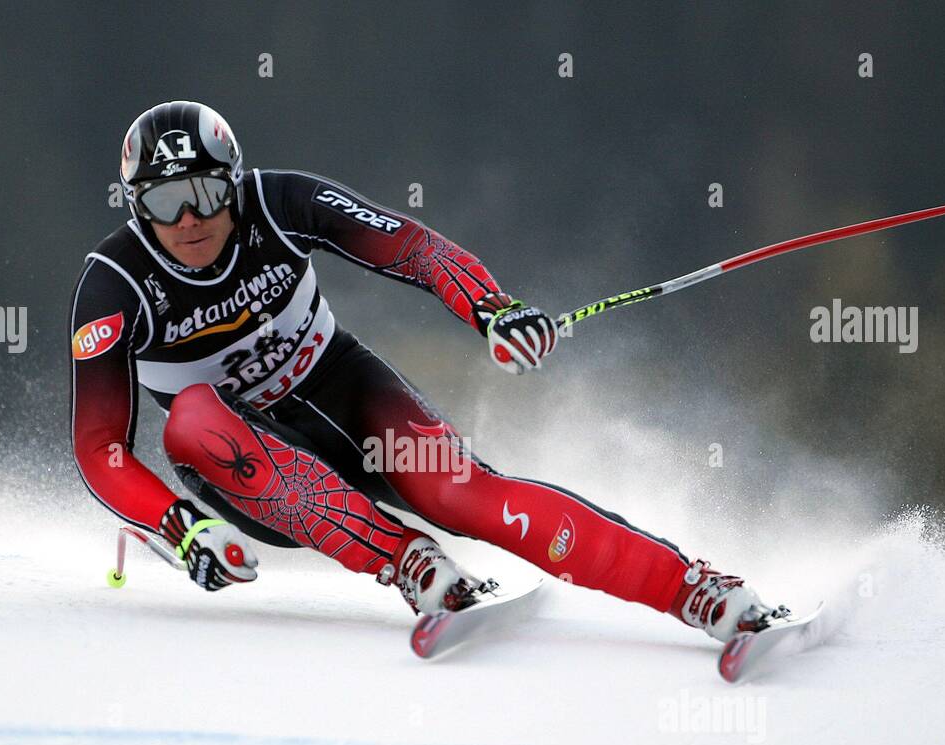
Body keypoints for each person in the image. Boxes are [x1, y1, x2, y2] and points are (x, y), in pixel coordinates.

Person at [69, 100, 779, 642]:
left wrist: (493, 310)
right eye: (164, 203)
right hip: (246, 465)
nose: (189, 218)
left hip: (342, 388)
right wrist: (177, 526)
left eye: (206, 193)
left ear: (235, 181)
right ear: (136, 207)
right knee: (190, 418)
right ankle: (406, 560)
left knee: (465, 496)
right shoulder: (113, 284)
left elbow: (409, 246)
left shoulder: (278, 202)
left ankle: (692, 589)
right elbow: (99, 448)